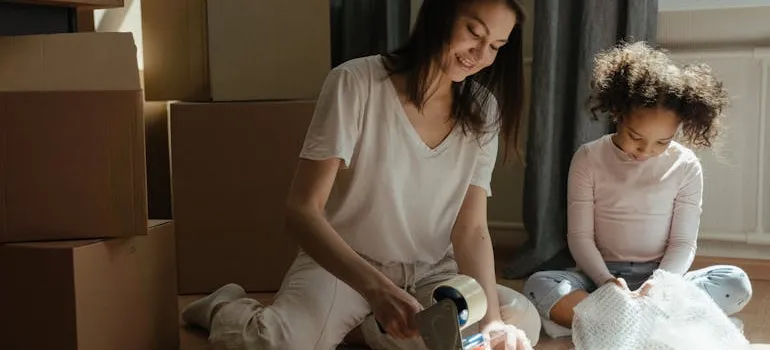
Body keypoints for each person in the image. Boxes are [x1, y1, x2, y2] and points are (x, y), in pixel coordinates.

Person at [181, 0, 542, 349]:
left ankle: (363, 329)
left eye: (496, 45)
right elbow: (302, 209)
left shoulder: (483, 110)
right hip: (346, 267)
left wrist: (491, 322)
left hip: (431, 272)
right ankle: (223, 306)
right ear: (440, 14)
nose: (480, 54)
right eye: (473, 32)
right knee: (283, 342)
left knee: (519, 320)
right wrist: (376, 289)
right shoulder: (356, 82)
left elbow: (472, 230)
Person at [523, 41, 753, 339]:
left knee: (735, 283)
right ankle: (654, 326)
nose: (645, 151)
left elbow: (683, 242)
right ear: (618, 113)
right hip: (600, 278)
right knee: (539, 285)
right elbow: (579, 237)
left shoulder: (686, 165)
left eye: (662, 142)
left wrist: (659, 284)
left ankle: (610, 325)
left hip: (662, 280)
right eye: (635, 137)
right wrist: (606, 282)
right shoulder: (588, 158)